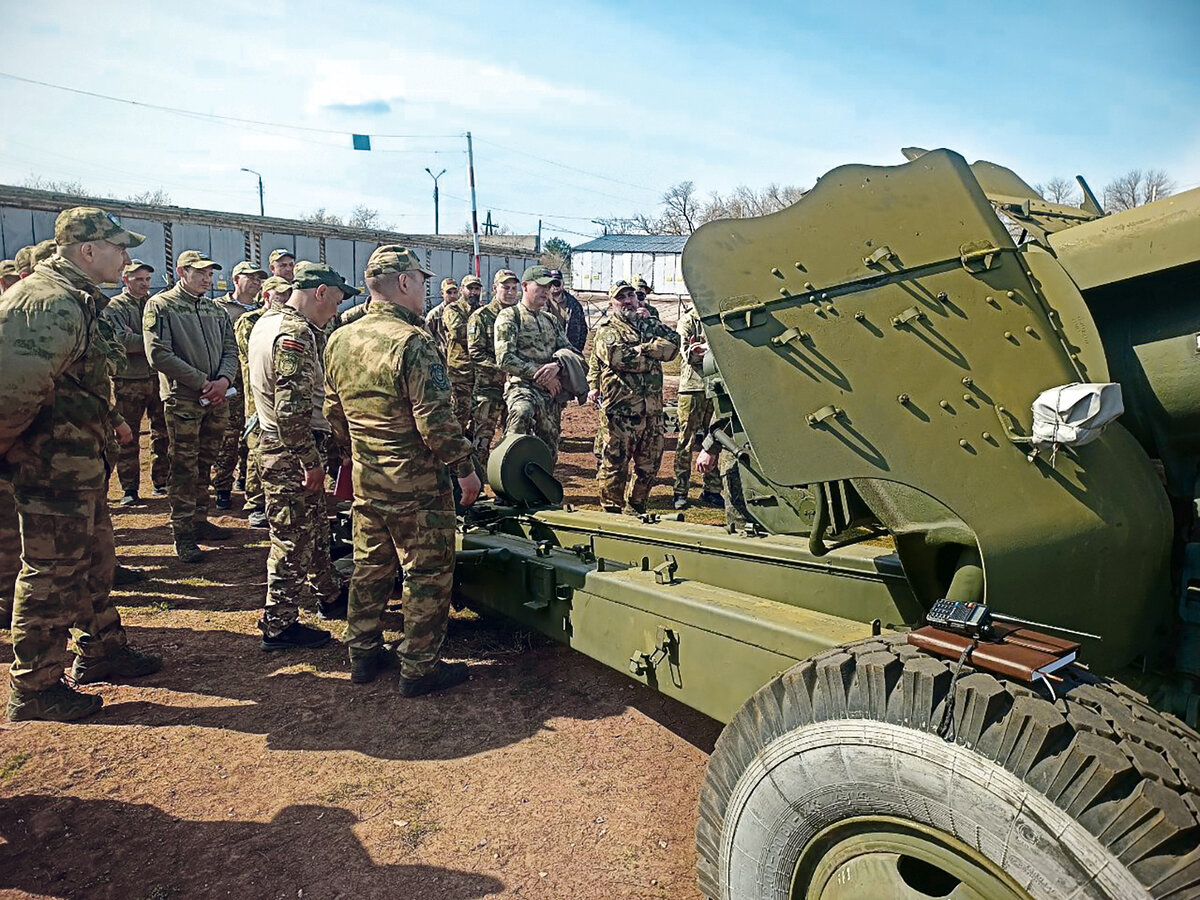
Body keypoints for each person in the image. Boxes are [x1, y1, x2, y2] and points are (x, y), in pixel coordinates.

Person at [0, 207, 162, 722]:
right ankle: (36, 685)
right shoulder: (47, 303)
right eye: (119, 248)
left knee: (95, 560)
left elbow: (78, 377)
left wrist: (111, 416)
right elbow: (11, 393)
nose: (127, 258)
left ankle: (101, 649)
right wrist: (10, 451)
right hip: (50, 466)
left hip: (79, 461)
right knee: (50, 573)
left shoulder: (75, 299)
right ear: (87, 250)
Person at [324, 245, 481, 694]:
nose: (425, 290)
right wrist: (465, 469)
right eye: (422, 281)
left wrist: (358, 451)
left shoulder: (340, 337)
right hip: (416, 484)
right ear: (406, 283)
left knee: (370, 566)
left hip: (367, 478)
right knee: (426, 572)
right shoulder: (413, 342)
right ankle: (419, 667)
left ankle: (362, 653)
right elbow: (435, 419)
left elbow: (334, 410)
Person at [248, 262, 355, 650]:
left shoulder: (267, 321)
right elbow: (289, 409)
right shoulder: (296, 334)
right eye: (336, 301)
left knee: (314, 526)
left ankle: (329, 595)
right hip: (289, 448)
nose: (337, 311)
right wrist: (310, 461)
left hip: (283, 443)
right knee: (291, 537)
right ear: (320, 292)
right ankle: (279, 624)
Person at [143, 250, 239, 562]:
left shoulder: (215, 310)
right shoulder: (161, 306)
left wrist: (223, 381)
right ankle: (182, 533)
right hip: (183, 400)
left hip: (216, 399)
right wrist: (202, 382)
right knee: (183, 465)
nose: (207, 279)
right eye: (201, 273)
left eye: (210, 274)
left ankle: (199, 521)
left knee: (205, 462)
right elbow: (158, 354)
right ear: (182, 271)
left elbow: (230, 349)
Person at [588, 281, 680, 514]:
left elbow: (675, 345)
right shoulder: (607, 330)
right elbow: (619, 358)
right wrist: (653, 356)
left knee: (649, 466)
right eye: (621, 297)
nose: (628, 300)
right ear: (612, 303)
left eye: (631, 295)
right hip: (621, 412)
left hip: (652, 411)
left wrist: (644, 349)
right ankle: (611, 511)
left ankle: (636, 507)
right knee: (615, 466)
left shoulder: (650, 323)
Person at [102, 259, 170, 505]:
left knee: (162, 433)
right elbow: (121, 341)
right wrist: (154, 341)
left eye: (147, 279)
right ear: (125, 279)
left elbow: (167, 336)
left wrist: (141, 339)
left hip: (157, 377)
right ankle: (130, 488)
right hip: (128, 380)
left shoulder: (156, 305)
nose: (145, 284)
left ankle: (161, 482)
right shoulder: (114, 307)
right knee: (127, 436)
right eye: (139, 279)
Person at [494, 265, 575, 466]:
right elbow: (505, 358)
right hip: (522, 387)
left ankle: (542, 490)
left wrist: (557, 365)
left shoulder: (550, 320)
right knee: (520, 419)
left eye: (549, 287)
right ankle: (508, 488)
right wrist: (542, 376)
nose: (546, 291)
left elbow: (570, 351)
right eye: (540, 286)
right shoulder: (510, 316)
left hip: (550, 393)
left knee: (550, 446)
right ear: (525, 286)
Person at [236, 275, 292, 528]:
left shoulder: (289, 322)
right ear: (267, 296)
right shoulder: (249, 321)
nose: (285, 299)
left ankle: (277, 500)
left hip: (281, 397)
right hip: (256, 396)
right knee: (256, 450)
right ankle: (255, 502)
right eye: (280, 295)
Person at [214, 261, 268, 509]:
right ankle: (222, 487)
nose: (256, 282)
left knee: (252, 433)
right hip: (229, 381)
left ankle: (246, 480)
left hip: (254, 381)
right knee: (228, 435)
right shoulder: (218, 308)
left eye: (259, 279)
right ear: (236, 279)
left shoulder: (262, 311)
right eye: (251, 278)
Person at [467, 270, 520, 478]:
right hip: (489, 388)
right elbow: (475, 353)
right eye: (505, 287)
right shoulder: (481, 316)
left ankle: (509, 481)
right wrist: (503, 366)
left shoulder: (520, 316)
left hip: (515, 388)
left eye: (513, 288)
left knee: (514, 439)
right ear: (494, 289)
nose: (509, 292)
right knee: (482, 438)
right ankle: (476, 482)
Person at [672, 302, 724, 510]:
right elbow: (688, 354)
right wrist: (711, 350)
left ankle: (712, 489)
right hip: (691, 389)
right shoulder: (687, 321)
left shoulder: (715, 317)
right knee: (686, 441)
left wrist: (708, 348)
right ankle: (680, 491)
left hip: (714, 386)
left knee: (715, 438)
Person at [440, 274, 486, 435]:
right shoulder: (452, 309)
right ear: (462, 290)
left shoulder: (482, 310)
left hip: (480, 371)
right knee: (460, 412)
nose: (473, 292)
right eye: (470, 288)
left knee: (480, 415)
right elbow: (459, 332)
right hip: (460, 371)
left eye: (477, 289)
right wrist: (484, 333)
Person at [546, 269, 588, 353]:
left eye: (558, 281)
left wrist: (577, 350)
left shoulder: (574, 305)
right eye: (553, 282)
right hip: (547, 352)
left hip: (569, 352)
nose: (555, 285)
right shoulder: (541, 304)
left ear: (563, 283)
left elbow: (583, 329)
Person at [425, 276, 457, 353]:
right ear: (442, 293)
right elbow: (426, 337)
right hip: (442, 356)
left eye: (455, 292)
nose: (452, 296)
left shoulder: (462, 312)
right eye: (449, 292)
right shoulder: (435, 314)